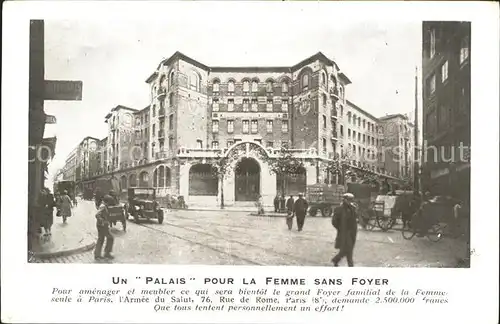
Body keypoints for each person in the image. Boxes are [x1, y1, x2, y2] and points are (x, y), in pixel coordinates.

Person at [331, 193, 358, 267]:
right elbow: (334, 221)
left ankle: (336, 259)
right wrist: (340, 228)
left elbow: (355, 219)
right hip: (344, 232)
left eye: (351, 200)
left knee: (346, 249)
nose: (350, 202)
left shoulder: (353, 208)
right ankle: (350, 265)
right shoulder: (339, 209)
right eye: (348, 200)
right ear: (344, 200)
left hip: (352, 232)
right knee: (348, 249)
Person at [94, 195, 115, 260]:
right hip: (102, 226)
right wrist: (103, 221)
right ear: (107, 201)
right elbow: (97, 215)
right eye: (109, 202)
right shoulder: (103, 206)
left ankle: (97, 255)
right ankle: (107, 253)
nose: (109, 204)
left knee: (101, 239)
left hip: (101, 225)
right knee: (110, 238)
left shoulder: (103, 205)